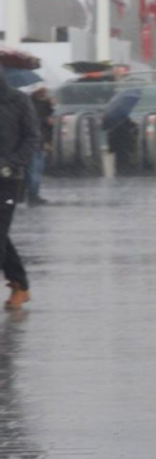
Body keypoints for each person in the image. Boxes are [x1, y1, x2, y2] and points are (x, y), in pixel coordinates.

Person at [0, 65, 40, 309]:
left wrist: (10, 164)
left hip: (8, 179)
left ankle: (19, 285)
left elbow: (32, 138)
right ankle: (19, 283)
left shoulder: (18, 101)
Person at [26, 87, 54, 206]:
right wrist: (45, 120)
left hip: (41, 141)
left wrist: (48, 141)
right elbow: (32, 121)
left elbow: (49, 127)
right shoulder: (28, 103)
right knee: (33, 170)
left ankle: (34, 194)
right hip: (32, 141)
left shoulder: (46, 104)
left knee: (38, 169)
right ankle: (32, 195)